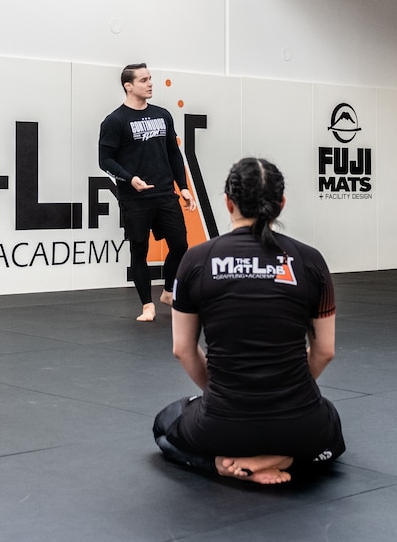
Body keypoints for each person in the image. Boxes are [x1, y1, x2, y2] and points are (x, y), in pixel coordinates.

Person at [152, 158, 345, 485]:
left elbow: (183, 349)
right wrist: (288, 391)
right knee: (331, 432)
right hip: (299, 425)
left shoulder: (196, 261)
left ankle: (222, 466)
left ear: (228, 203)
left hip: (222, 426)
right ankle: (280, 457)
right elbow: (324, 351)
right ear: (281, 205)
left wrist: (220, 394)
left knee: (163, 426)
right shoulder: (311, 261)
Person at [98, 63, 197, 322]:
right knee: (138, 250)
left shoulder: (163, 115)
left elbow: (174, 154)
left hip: (165, 193)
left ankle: (167, 292)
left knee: (180, 245)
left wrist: (183, 187)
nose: (150, 83)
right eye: (143, 80)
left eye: (150, 78)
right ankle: (147, 305)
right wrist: (130, 179)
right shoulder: (115, 121)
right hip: (136, 198)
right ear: (128, 86)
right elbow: (105, 160)